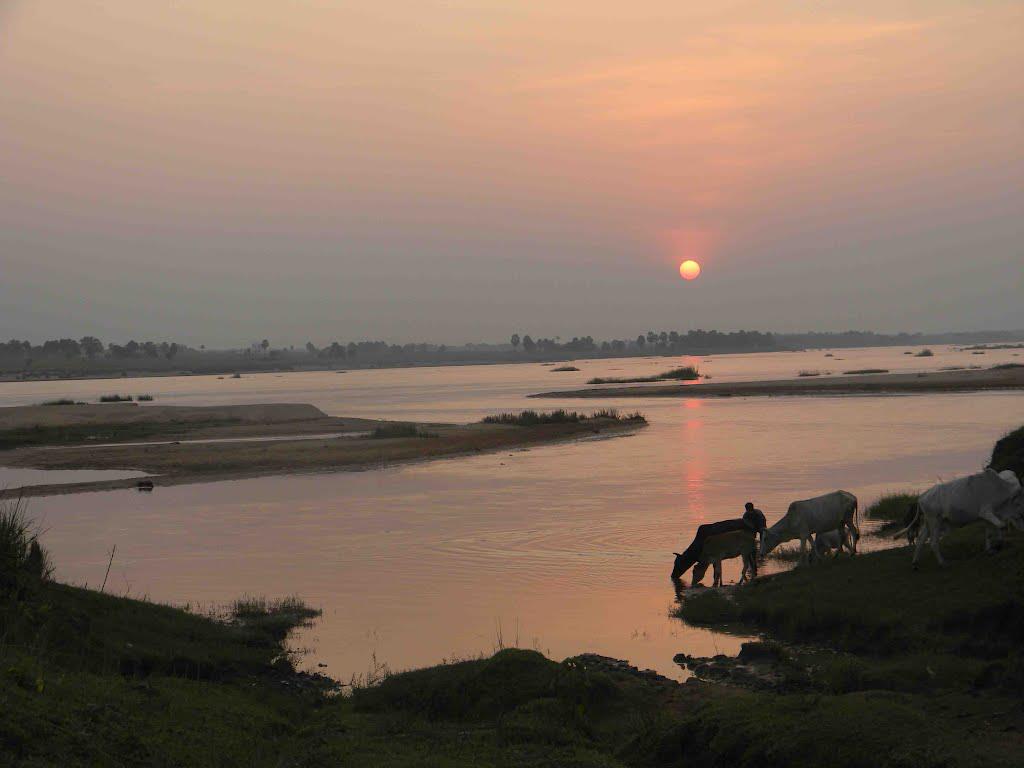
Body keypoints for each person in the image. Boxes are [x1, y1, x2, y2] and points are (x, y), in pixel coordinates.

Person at [670, 501, 767, 582]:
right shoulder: (750, 517)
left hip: (742, 534)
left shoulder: (754, 518)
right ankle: (752, 577)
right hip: (743, 531)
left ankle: (752, 576)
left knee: (749, 556)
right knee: (749, 556)